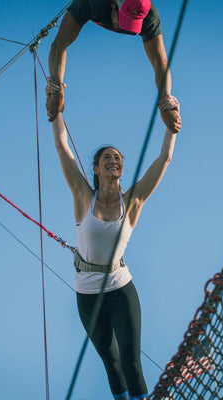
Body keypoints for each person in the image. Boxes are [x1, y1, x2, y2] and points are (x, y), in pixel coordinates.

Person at [49, 98, 180, 399]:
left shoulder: (132, 202)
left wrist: (171, 127)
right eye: (107, 158)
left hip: (121, 289)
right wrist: (56, 112)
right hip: (87, 295)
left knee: (132, 364)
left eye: (118, 158)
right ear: (95, 168)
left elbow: (164, 159)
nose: (114, 160)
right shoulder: (83, 196)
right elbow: (62, 148)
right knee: (111, 363)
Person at [46, 0, 181, 133]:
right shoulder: (91, 3)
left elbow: (160, 61)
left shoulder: (149, 15)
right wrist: (57, 90)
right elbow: (59, 45)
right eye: (125, 19)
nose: (124, 28)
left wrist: (166, 102)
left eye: (133, 22)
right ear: (114, 4)